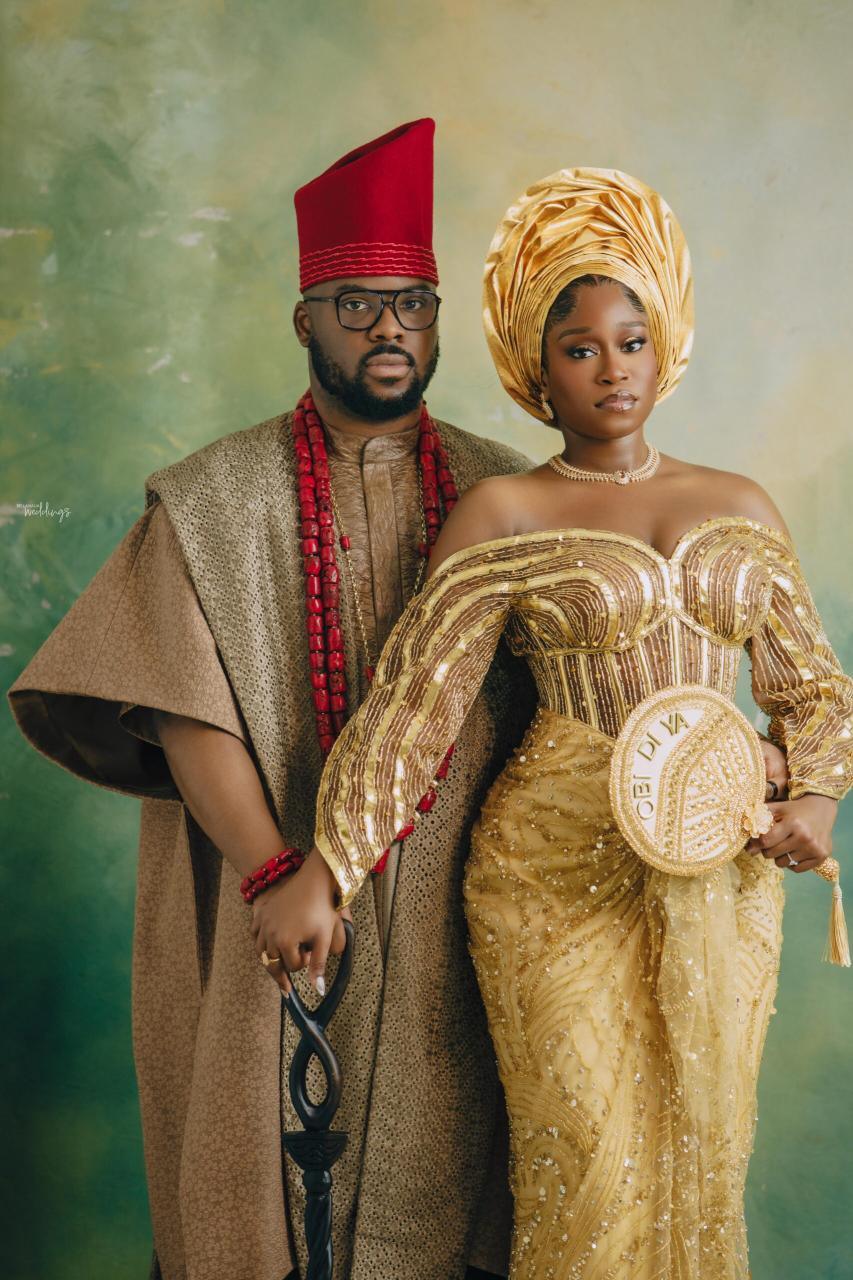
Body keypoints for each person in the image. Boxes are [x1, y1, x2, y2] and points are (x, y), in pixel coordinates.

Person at [265, 169, 852, 1279]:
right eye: (580, 348)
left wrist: (813, 795)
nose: (612, 369)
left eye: (631, 341)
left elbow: (813, 689)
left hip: (715, 868)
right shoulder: (505, 511)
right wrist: (325, 869)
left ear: (664, 347)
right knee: (584, 1156)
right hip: (551, 871)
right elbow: (414, 708)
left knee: (702, 1152)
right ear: (537, 368)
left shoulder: (740, 503)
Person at [8, 120, 544, 1280]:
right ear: (304, 320)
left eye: (411, 304)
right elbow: (180, 702)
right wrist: (267, 870)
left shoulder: (509, 491)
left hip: (462, 913)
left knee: (464, 1180)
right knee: (263, 1190)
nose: (388, 329)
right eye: (357, 305)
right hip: (271, 903)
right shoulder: (214, 496)